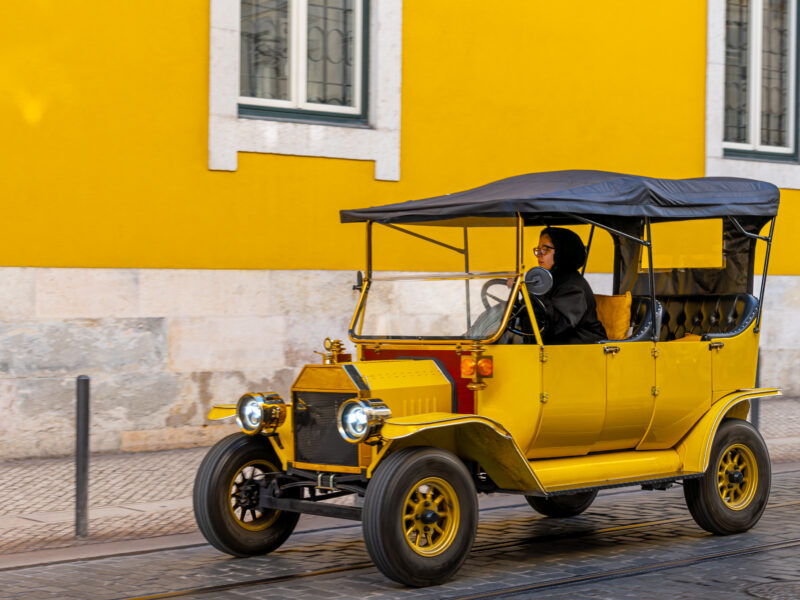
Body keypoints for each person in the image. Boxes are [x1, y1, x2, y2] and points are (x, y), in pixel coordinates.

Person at [529, 227, 607, 344]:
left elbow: (558, 325)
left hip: (583, 350)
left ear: (562, 251)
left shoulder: (572, 285)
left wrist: (536, 292)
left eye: (545, 249)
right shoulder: (553, 279)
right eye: (538, 249)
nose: (539, 254)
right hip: (558, 347)